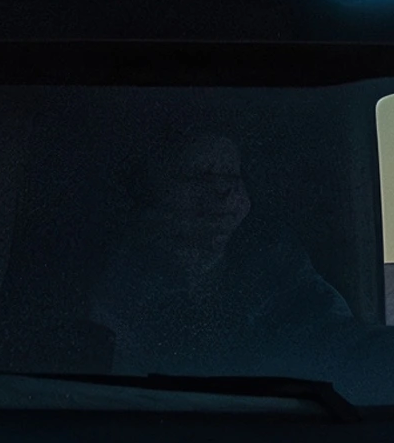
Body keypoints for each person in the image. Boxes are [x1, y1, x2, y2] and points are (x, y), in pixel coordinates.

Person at [89, 120, 351, 360]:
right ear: (150, 192)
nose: (222, 192)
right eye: (197, 177)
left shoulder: (275, 262)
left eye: (232, 177)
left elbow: (335, 335)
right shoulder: (107, 276)